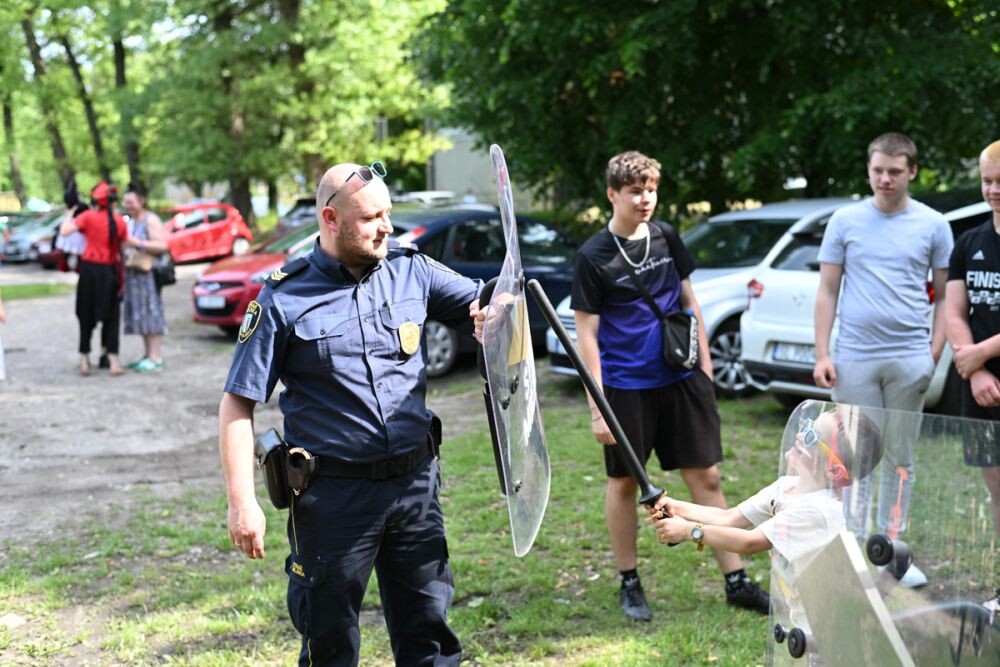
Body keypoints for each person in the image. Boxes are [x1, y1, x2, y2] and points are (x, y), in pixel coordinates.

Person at [218, 160, 482, 666]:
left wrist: (497, 311)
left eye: (388, 213)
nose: (386, 227)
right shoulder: (283, 297)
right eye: (371, 218)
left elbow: (487, 304)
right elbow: (237, 402)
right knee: (329, 642)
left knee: (429, 634)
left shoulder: (412, 271)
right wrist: (241, 502)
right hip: (331, 499)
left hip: (414, 489)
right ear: (330, 219)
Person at [571, 150, 769, 621]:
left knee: (707, 476)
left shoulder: (666, 237)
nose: (644, 199)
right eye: (634, 191)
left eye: (651, 190)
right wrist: (598, 407)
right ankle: (629, 580)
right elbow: (586, 335)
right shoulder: (593, 256)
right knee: (624, 483)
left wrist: (705, 367)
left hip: (680, 377)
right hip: (625, 387)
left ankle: (736, 580)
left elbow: (688, 301)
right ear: (612, 194)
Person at [812, 132, 952, 586]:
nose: (885, 179)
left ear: (912, 171)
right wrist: (822, 353)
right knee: (856, 457)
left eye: (895, 171)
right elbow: (827, 290)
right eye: (878, 171)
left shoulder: (933, 224)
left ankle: (894, 552)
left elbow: (946, 295)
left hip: (909, 358)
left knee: (900, 458)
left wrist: (933, 351)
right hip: (855, 356)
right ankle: (854, 549)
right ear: (869, 170)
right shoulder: (845, 220)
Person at [649, 407, 882, 630]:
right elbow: (729, 517)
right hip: (803, 618)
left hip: (827, 625)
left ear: (834, 470)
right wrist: (675, 506)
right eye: (808, 426)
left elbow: (750, 542)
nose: (800, 435)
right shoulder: (787, 487)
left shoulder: (819, 511)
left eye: (812, 437)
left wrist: (690, 531)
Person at [944, 139, 1000, 536]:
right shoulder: (968, 243)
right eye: (987, 181)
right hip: (980, 388)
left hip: (979, 362)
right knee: (996, 485)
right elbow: (953, 313)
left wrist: (978, 353)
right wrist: (976, 370)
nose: (994, 190)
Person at [59, 181, 128, 376]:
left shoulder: (88, 217)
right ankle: (113, 361)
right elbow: (123, 250)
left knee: (85, 313)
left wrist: (69, 214)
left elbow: (64, 231)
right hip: (110, 271)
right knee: (112, 316)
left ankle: (84, 360)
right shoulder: (119, 221)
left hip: (89, 271)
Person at [121, 184, 167, 372]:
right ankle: (148, 354)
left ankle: (155, 357)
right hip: (135, 276)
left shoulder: (151, 220)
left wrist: (136, 242)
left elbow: (162, 245)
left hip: (148, 276)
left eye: (130, 202)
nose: (127, 205)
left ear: (141, 201)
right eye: (125, 202)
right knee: (142, 315)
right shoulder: (132, 220)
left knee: (152, 313)